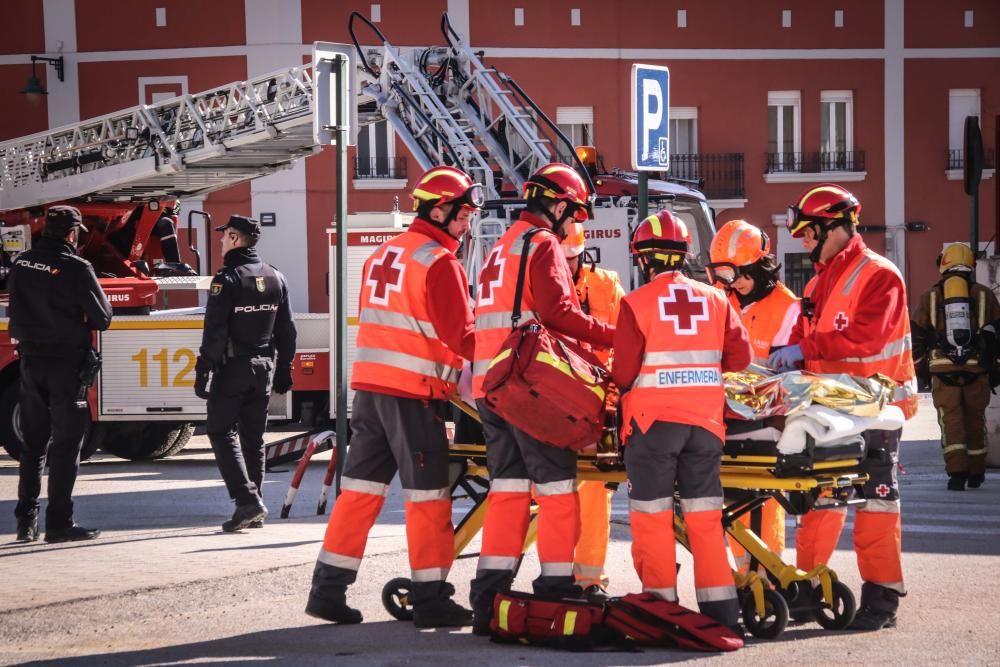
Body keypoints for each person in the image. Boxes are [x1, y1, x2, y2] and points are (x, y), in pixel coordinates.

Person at [305, 166, 480, 628]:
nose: (467, 225)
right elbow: (464, 338)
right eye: (463, 215)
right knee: (429, 498)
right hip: (414, 394)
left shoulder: (384, 254)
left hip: (369, 391)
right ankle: (431, 598)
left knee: (358, 493)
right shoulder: (439, 262)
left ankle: (327, 590)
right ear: (440, 209)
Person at [469, 163, 614, 633]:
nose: (571, 224)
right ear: (556, 205)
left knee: (508, 491)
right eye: (571, 214)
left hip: (490, 384)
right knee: (555, 488)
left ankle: (487, 596)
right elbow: (560, 314)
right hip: (525, 385)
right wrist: (618, 337)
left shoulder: (501, 245)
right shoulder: (542, 243)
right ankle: (555, 588)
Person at [769, 184, 917, 631]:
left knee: (876, 503)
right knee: (821, 500)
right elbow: (814, 341)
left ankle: (883, 595)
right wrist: (792, 353)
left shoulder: (880, 274)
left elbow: (868, 340)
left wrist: (805, 347)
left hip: (878, 405)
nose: (805, 242)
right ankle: (808, 588)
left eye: (810, 233)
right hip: (831, 410)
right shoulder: (819, 280)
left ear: (835, 226)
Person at [612, 210, 752, 632]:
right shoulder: (716, 299)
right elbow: (741, 358)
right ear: (685, 254)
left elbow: (622, 374)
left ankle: (661, 609)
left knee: (653, 516)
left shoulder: (636, 303)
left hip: (653, 426)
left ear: (643, 260)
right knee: (705, 518)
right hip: (707, 425)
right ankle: (722, 611)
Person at [9, 205, 113, 543]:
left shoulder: (21, 263)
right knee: (66, 446)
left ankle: (26, 522)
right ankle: (59, 523)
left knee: (33, 445)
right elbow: (102, 319)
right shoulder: (77, 268)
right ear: (73, 233)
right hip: (65, 367)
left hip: (28, 363)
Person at [707, 219, 800, 573]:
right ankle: (742, 577)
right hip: (724, 418)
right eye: (729, 276)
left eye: (742, 274)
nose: (735, 283)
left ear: (761, 268)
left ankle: (766, 575)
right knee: (729, 503)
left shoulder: (786, 306)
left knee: (764, 505)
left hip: (764, 423)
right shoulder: (720, 299)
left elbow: (785, 376)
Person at [195, 214, 296, 533]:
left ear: (236, 239)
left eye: (225, 236)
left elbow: (214, 331)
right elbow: (287, 330)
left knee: (220, 431)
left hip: (234, 368)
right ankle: (255, 505)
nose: (222, 240)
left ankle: (247, 501)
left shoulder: (227, 278)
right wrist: (284, 367)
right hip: (263, 368)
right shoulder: (276, 276)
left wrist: (203, 370)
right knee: (252, 439)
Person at [560, 222, 626, 594]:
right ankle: (559, 575)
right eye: (560, 258)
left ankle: (587, 579)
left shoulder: (605, 286)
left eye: (571, 259)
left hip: (597, 404)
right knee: (554, 494)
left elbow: (622, 348)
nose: (566, 266)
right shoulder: (541, 285)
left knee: (593, 493)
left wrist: (612, 408)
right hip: (555, 405)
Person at [911, 243, 1000, 490]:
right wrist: (993, 368)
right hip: (977, 370)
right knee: (976, 420)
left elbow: (916, 339)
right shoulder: (985, 295)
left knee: (951, 422)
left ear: (943, 263)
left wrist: (922, 372)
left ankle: (957, 475)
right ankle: (976, 473)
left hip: (942, 371)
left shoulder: (929, 298)